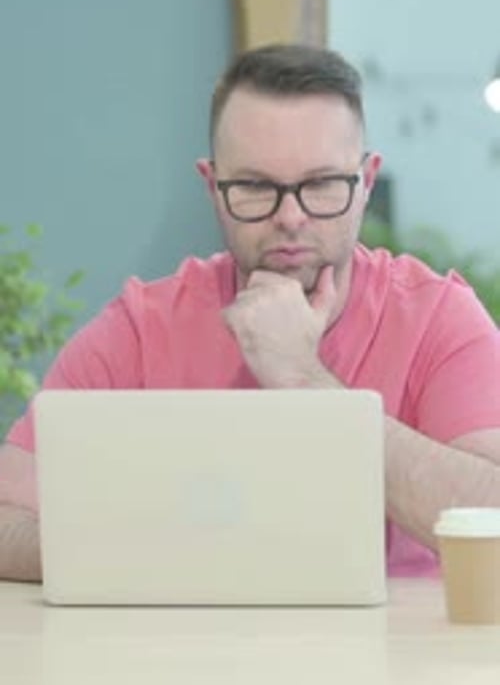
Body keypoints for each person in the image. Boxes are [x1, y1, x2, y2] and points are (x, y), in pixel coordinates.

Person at [2, 43, 500, 583]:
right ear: (213, 187)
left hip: (396, 662)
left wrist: (306, 382)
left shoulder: (437, 317)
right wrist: (184, 557)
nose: (290, 217)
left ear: (366, 182)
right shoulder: (143, 328)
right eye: (257, 186)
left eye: (320, 184)